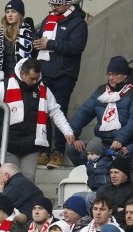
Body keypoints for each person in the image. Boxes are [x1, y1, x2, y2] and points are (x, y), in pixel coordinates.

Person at [0, 58, 74, 182]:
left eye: (37, 78)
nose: (35, 81)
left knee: (28, 181)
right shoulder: (4, 85)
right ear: (22, 74)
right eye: (32, 79)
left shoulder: (44, 89)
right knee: (7, 180)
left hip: (32, 144)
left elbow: (55, 111)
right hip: (9, 143)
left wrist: (67, 131)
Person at [32, 0, 87, 168]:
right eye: (51, 4)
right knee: (44, 112)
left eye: (57, 4)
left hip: (64, 75)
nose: (53, 8)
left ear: (68, 4)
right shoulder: (48, 19)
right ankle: (45, 150)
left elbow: (76, 47)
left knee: (59, 111)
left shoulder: (78, 22)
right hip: (44, 74)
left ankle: (59, 151)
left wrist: (50, 44)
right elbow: (39, 39)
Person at [68, 56, 133, 166]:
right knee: (73, 150)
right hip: (102, 142)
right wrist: (74, 135)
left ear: (125, 75)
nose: (111, 78)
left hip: (127, 142)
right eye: (109, 74)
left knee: (124, 154)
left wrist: (120, 139)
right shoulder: (101, 91)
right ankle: (92, 176)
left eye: (116, 74)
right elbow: (83, 112)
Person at [0, 1, 34, 97]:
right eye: (7, 12)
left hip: (25, 84)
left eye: (13, 11)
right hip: (4, 83)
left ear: (20, 14)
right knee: (4, 111)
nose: (10, 15)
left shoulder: (29, 34)